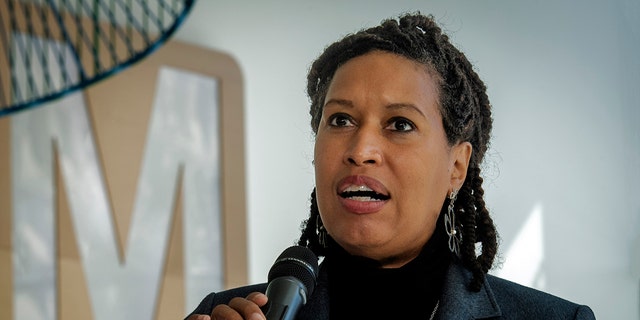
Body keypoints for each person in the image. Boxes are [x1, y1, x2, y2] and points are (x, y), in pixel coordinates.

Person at [186, 13, 596, 320]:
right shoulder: (224, 313)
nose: (361, 149)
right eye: (340, 120)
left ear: (457, 166)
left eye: (400, 124)